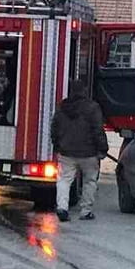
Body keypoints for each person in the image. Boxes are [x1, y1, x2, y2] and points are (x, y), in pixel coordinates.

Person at [50, 79, 108, 222]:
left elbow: (54, 129)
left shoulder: (62, 107)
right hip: (89, 153)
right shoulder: (93, 108)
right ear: (84, 91)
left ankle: (62, 207)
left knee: (64, 180)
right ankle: (86, 211)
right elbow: (98, 131)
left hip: (66, 152)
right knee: (90, 181)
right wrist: (103, 148)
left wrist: (57, 146)